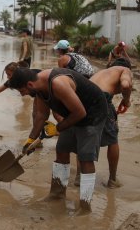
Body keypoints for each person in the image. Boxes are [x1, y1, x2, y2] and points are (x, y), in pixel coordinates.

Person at [8, 67, 107, 213]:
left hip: (93, 113)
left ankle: (85, 206)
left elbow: (80, 112)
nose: (23, 95)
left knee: (85, 157)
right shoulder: (39, 89)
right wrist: (31, 139)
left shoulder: (57, 83)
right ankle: (57, 194)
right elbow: (41, 115)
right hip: (73, 114)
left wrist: (58, 128)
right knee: (61, 149)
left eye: (22, 91)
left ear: (29, 85)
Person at [73, 59, 133, 189]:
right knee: (112, 140)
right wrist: (126, 100)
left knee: (84, 138)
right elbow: (126, 85)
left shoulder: (102, 72)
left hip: (82, 101)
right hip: (100, 100)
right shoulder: (125, 70)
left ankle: (79, 177)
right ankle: (112, 180)